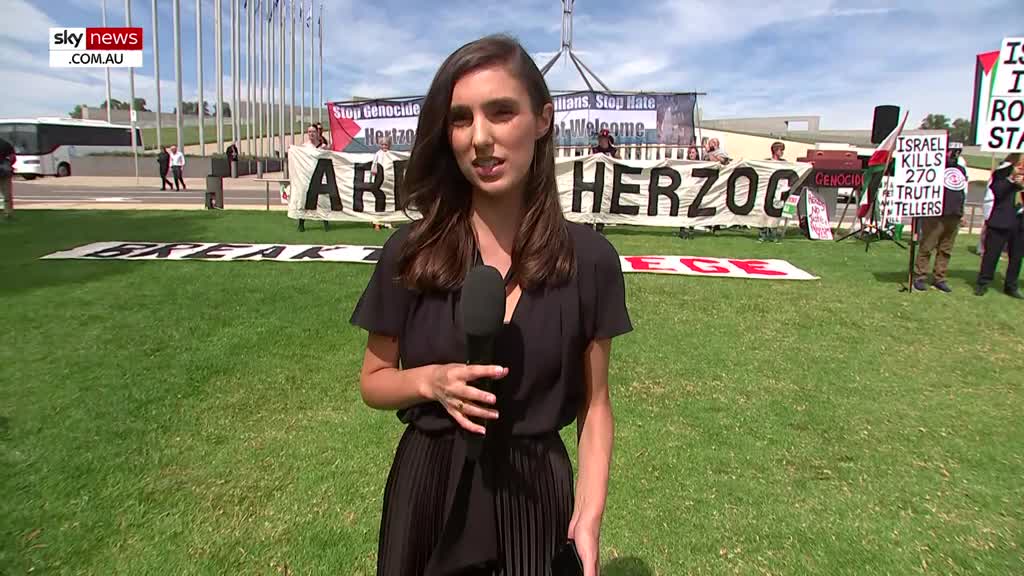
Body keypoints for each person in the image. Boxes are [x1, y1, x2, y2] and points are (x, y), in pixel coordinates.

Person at [350, 35, 632, 576]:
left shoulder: (591, 260)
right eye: (460, 119)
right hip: (428, 487)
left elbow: (594, 406)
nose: (480, 138)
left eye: (501, 112)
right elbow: (374, 379)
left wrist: (589, 516)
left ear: (542, 120)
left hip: (535, 494)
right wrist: (429, 381)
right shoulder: (409, 252)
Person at [914, 147, 968, 292]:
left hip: (954, 214)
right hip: (935, 214)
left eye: (957, 152)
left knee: (946, 249)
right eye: (951, 151)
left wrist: (962, 213)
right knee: (927, 246)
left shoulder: (961, 170)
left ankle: (940, 278)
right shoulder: (934, 167)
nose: (954, 154)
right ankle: (920, 276)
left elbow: (962, 191)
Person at [975, 153, 1024, 298]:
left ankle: (1011, 286)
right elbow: (997, 191)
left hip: (1020, 221)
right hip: (1001, 220)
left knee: (1016, 257)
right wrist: (1011, 180)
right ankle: (983, 283)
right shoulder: (1002, 172)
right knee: (992, 254)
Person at [590, 129, 617, 234]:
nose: (602, 141)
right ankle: (590, 222)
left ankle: (600, 225)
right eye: (601, 138)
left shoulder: (614, 151)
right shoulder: (594, 150)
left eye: (604, 139)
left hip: (608, 181)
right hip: (596, 180)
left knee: (604, 204)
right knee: (593, 202)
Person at [759, 142, 787, 242]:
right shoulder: (766, 162)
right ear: (775, 150)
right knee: (764, 213)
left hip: (778, 192)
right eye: (781, 150)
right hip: (766, 191)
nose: (782, 152)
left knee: (776, 213)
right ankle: (762, 234)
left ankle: (773, 234)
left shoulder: (784, 163)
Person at [0, 136, 15, 219]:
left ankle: (8, 213)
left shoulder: (5, 144)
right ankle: (8, 213)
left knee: (6, 194)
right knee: (7, 194)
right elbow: (13, 158)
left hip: (4, 172)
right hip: (5, 172)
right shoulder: (5, 144)